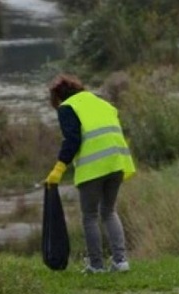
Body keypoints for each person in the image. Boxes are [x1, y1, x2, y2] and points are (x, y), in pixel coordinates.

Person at [45, 74, 136, 274]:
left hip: (93, 167)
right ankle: (121, 262)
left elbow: (72, 140)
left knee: (90, 216)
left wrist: (59, 168)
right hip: (117, 163)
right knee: (109, 211)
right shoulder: (102, 103)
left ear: (58, 98)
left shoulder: (68, 108)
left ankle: (96, 265)